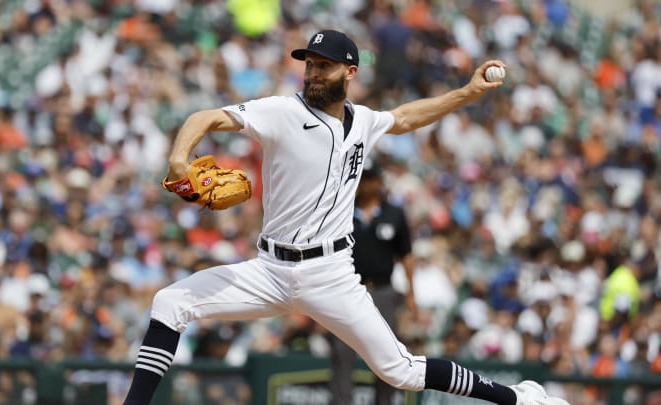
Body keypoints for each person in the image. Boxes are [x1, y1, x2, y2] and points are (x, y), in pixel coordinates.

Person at [122, 29, 569, 405]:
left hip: (330, 274)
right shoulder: (280, 111)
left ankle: (518, 398)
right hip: (270, 270)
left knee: (400, 371)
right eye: (309, 64)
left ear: (350, 72)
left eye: (325, 65)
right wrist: (181, 158)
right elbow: (205, 117)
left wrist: (467, 93)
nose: (314, 73)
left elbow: (406, 118)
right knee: (170, 303)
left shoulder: (363, 122)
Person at [328, 164, 415, 405]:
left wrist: (411, 294)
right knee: (342, 352)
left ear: (379, 182)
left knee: (387, 355)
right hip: (346, 289)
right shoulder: (342, 209)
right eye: (362, 179)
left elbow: (406, 254)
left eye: (371, 179)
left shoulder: (393, 214)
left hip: (383, 291)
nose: (366, 185)